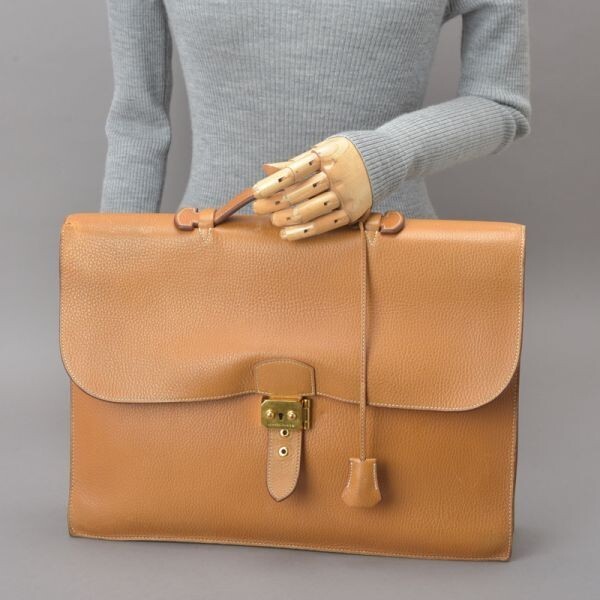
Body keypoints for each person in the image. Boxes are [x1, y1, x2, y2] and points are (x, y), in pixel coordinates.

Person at [100, 0, 531, 240]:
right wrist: (108, 273)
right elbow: (139, 122)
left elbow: (500, 102)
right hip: (205, 276)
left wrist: (388, 153)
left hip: (392, 269)